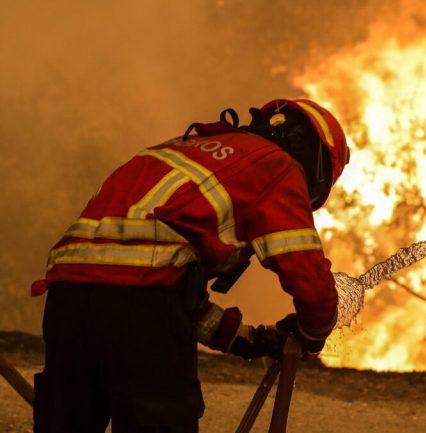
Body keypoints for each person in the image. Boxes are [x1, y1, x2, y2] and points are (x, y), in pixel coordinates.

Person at [30, 98, 349, 433]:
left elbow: (163, 284)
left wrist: (242, 338)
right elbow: (307, 274)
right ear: (317, 165)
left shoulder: (180, 149)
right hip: (142, 307)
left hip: (67, 297)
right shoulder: (276, 165)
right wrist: (314, 330)